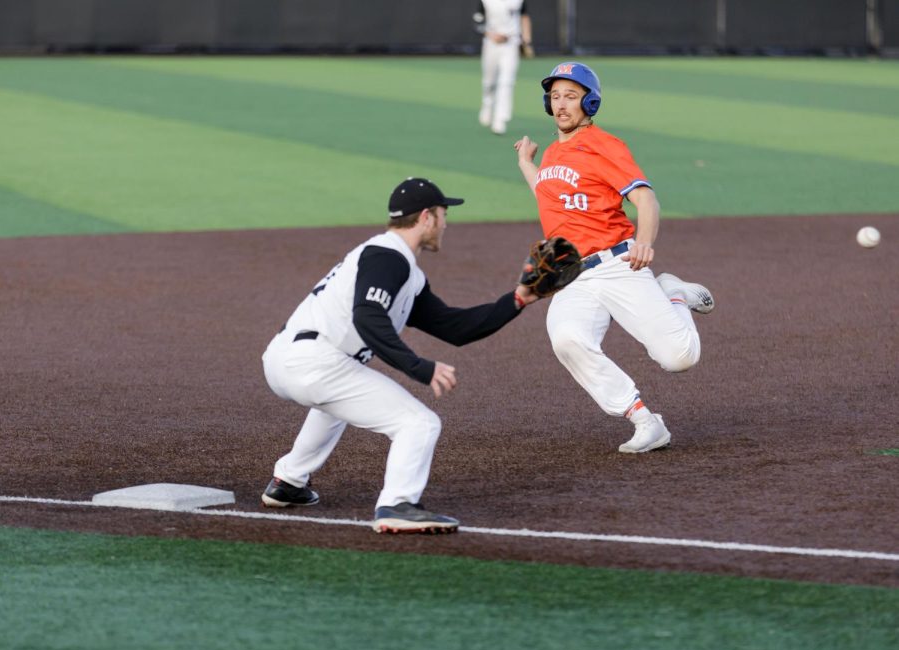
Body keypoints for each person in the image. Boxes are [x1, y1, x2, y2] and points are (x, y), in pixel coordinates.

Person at [260, 177, 539, 533]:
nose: (446, 223)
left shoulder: (403, 268)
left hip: (292, 359)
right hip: (314, 361)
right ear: (426, 217)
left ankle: (289, 481)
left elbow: (455, 327)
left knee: (337, 402)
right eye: (443, 214)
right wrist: (418, 367)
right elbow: (368, 317)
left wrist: (518, 299)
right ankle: (398, 504)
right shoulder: (387, 256)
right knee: (419, 423)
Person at [513, 62, 715, 453]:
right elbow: (549, 192)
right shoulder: (554, 152)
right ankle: (644, 420)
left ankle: (674, 294)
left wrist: (645, 241)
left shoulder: (606, 146)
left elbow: (646, 199)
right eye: (555, 96)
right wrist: (526, 164)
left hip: (619, 266)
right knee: (568, 339)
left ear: (590, 101)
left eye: (570, 96)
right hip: (573, 277)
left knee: (679, 358)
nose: (561, 105)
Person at [473, 0, 534, 136]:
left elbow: (524, 17)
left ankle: (500, 119)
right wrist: (491, 35)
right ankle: (487, 104)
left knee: (507, 82)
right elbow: (477, 23)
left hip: (511, 43)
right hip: (491, 44)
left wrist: (527, 41)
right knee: (489, 82)